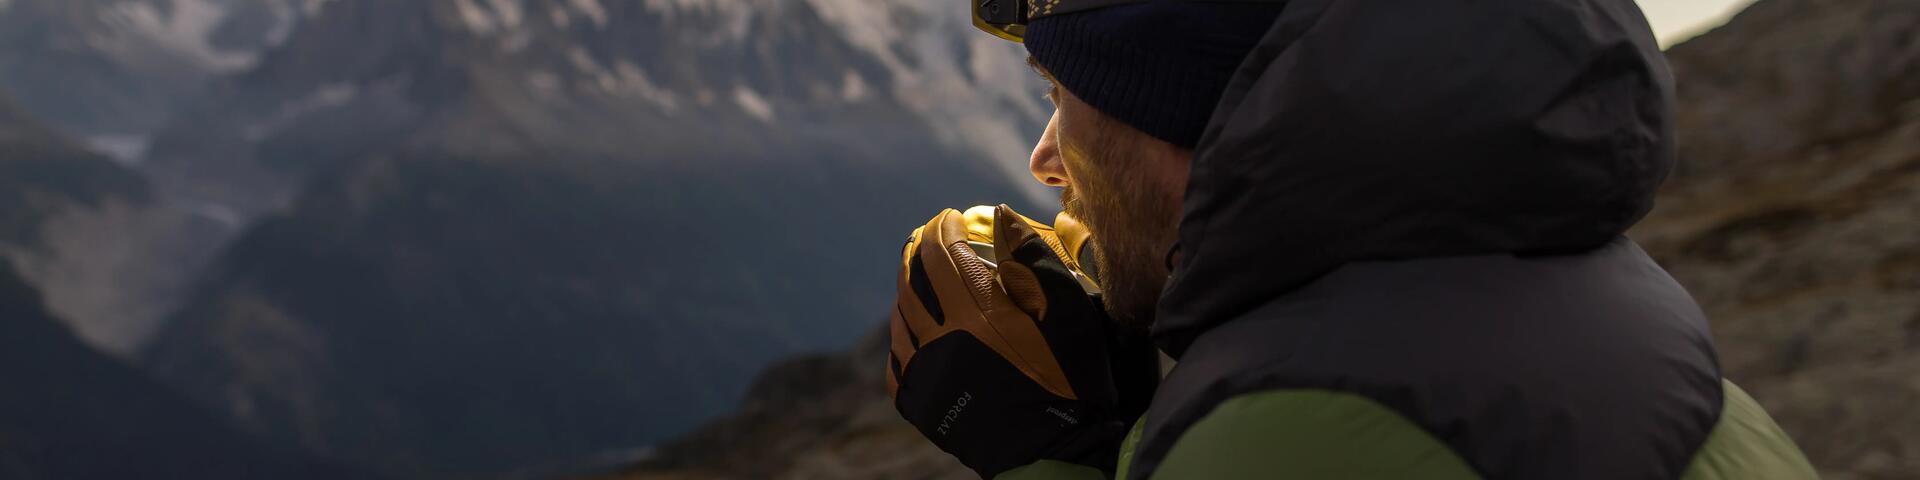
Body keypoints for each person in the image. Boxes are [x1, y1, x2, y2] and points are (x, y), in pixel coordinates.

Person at [883, 0, 1822, 479]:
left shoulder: (1300, 429)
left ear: (1166, 102)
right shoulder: (1581, 291)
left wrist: (1047, 456)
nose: (1047, 159)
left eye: (1057, 96)